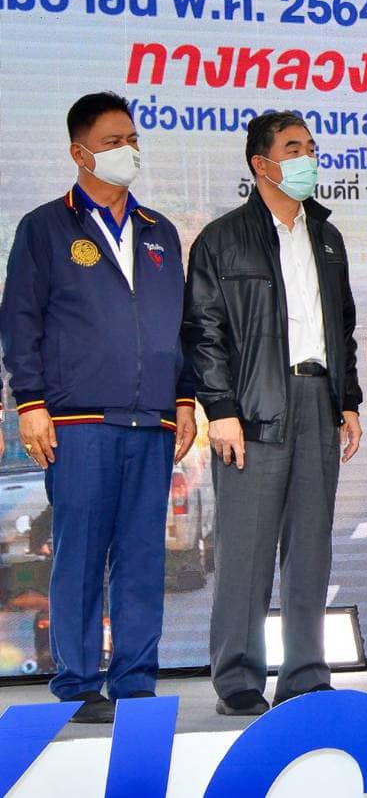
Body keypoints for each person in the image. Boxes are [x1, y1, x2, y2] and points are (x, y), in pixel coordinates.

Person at [0, 92, 196, 724]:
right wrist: (30, 403)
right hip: (78, 421)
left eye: (132, 139)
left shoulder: (160, 231)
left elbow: (180, 326)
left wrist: (184, 398)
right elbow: (20, 323)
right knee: (80, 554)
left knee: (142, 558)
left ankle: (135, 683)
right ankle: (79, 683)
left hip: (153, 420)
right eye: (113, 142)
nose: (127, 151)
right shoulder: (44, 228)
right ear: (79, 153)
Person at [182, 112, 365, 715]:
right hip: (254, 405)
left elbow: (342, 326)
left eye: (311, 147)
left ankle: (306, 673)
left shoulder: (327, 236)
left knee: (311, 545)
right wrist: (220, 409)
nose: (308, 157)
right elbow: (204, 331)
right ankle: (237, 677)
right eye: (293, 149)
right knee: (247, 549)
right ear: (261, 164)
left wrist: (348, 400)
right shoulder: (222, 239)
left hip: (318, 398)